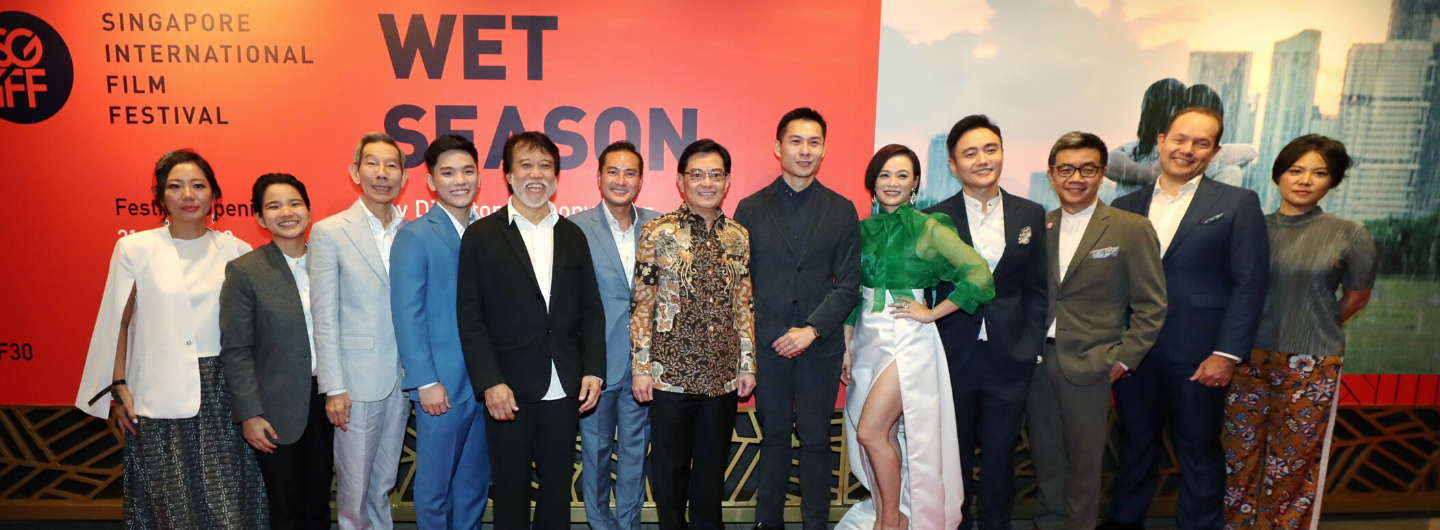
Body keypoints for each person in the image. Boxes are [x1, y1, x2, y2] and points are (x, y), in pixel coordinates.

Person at [76, 149, 267, 529]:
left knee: (230, 503)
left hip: (225, 389)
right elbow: (119, 320)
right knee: (170, 505)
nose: (188, 195)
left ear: (215, 194)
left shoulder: (238, 250)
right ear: (161, 196)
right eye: (175, 187)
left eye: (198, 185)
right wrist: (118, 385)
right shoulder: (135, 248)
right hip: (158, 389)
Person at [1105, 108, 1270, 530]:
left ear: (1214, 152)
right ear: (1160, 140)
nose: (1187, 150)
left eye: (1201, 143)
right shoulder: (1125, 206)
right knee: (1134, 448)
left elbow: (1249, 283)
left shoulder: (1236, 203)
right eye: (1180, 139)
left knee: (1198, 451)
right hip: (1134, 356)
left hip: (1199, 355)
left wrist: (1226, 354)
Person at [837, 144, 995, 530]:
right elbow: (854, 295)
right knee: (882, 434)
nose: (893, 183)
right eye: (885, 175)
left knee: (871, 433)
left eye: (902, 175)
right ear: (872, 183)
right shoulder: (861, 230)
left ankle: (890, 522)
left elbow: (980, 276)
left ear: (916, 184)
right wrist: (846, 345)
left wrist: (931, 312)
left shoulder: (929, 227)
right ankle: (893, 513)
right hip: (866, 343)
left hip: (907, 339)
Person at [1221, 135, 1375, 529]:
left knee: (1290, 467)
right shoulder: (1250, 226)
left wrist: (1312, 326)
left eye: (1319, 172)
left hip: (1311, 366)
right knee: (1236, 461)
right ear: (1278, 175)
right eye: (1295, 170)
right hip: (1244, 360)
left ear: (1333, 181)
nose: (1305, 180)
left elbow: (1357, 297)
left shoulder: (1350, 232)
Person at [457, 131, 606, 530]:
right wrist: (490, 383)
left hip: (565, 385)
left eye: (545, 166)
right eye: (525, 165)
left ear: (556, 176)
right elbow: (470, 319)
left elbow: (591, 311)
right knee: (509, 488)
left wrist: (594, 369)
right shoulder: (482, 236)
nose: (535, 174)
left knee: (558, 489)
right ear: (507, 174)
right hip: (508, 389)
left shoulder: (573, 234)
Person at [1027, 132, 1167, 530]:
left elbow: (1152, 304)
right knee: (1047, 459)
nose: (1076, 177)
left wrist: (1123, 358)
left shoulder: (1131, 228)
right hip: (1039, 362)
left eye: (1087, 168)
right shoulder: (1040, 225)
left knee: (1084, 466)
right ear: (1052, 174)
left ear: (1102, 173)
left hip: (1092, 362)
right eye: (1066, 169)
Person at [734, 107, 862, 530]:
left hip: (820, 348)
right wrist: (773, 335)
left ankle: (815, 525)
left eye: (813, 142)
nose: (805, 151)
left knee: (815, 442)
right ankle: (766, 523)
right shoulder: (750, 208)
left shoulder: (842, 210)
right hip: (769, 347)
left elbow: (848, 284)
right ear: (778, 147)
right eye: (796, 141)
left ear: (823, 150)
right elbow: (741, 281)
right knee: (772, 441)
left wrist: (811, 330)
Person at [923, 115, 1048, 530]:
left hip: (1008, 357)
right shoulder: (934, 218)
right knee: (951, 458)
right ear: (953, 165)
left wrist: (1029, 346)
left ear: (1002, 154)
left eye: (990, 149)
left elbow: (1037, 289)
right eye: (970, 153)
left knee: (1000, 455)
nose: (982, 159)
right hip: (952, 355)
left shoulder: (1030, 213)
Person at [630, 139, 757, 530]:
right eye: (697, 174)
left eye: (715, 175)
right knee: (669, 471)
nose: (706, 183)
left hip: (721, 377)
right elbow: (643, 303)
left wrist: (747, 363)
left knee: (710, 469)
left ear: (727, 181)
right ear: (680, 181)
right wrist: (641, 366)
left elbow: (744, 303)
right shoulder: (657, 232)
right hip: (668, 376)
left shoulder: (738, 236)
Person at [219, 173, 333, 530]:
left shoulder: (328, 261)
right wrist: (250, 413)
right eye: (274, 206)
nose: (287, 212)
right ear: (259, 218)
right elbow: (236, 349)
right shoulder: (246, 271)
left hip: (331, 400)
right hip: (276, 408)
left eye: (295, 203)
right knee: (286, 508)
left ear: (309, 211)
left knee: (319, 503)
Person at [311, 132, 412, 530]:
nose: (382, 173)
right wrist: (333, 388)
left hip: (403, 378)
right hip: (354, 381)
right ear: (356, 172)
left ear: (404, 178)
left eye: (392, 166)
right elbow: (324, 317)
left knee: (384, 482)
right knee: (353, 489)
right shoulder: (330, 231)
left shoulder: (414, 231)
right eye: (373, 163)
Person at [390, 134, 491, 530]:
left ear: (479, 177)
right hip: (441, 388)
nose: (459, 180)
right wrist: (425, 381)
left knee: (473, 485)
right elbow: (407, 316)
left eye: (467, 171)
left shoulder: (487, 233)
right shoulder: (414, 236)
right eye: (447, 173)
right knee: (434, 491)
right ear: (431, 181)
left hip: (485, 387)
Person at [570, 140, 661, 530]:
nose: (621, 180)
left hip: (646, 363)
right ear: (598, 177)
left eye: (630, 173)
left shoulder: (660, 226)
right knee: (595, 451)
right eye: (613, 171)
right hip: (596, 361)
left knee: (635, 452)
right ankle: (599, 524)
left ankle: (629, 525)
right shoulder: (573, 229)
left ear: (640, 179)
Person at [1106, 79, 1257, 195]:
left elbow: (1107, 161)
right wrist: (1152, 174)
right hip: (1158, 229)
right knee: (1232, 172)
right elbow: (1249, 152)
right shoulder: (1142, 152)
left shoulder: (1135, 153)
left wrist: (1147, 173)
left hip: (1138, 230)